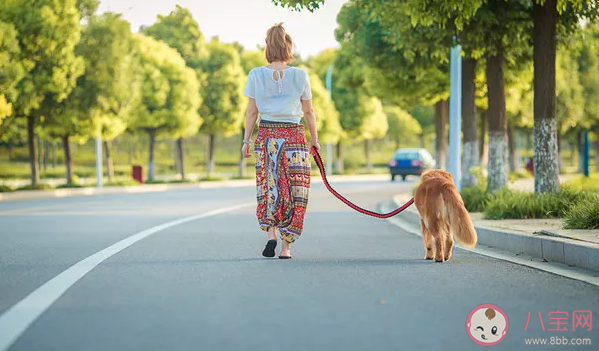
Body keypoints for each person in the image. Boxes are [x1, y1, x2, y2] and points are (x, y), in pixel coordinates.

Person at [241, 23, 320, 259]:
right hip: (294, 138)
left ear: (267, 47)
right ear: (288, 47)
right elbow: (309, 112)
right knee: (296, 189)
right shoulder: (300, 75)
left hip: (266, 137)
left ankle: (271, 235)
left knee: (270, 186)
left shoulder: (256, 74)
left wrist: (246, 141)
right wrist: (314, 139)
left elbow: (251, 112)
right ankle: (286, 248)